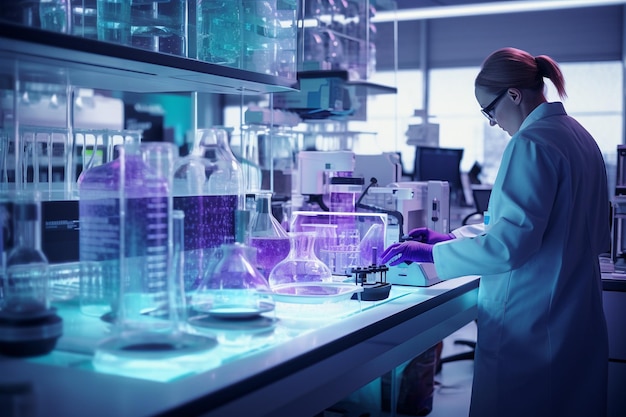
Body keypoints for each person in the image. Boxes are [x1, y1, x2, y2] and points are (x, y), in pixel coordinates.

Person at [381, 47, 610, 417]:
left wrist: (430, 255)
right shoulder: (580, 138)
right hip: (574, 319)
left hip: (531, 325)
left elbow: (509, 248)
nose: (491, 122)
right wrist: (449, 240)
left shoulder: (531, 143)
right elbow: (561, 229)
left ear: (514, 95)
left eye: (489, 110)